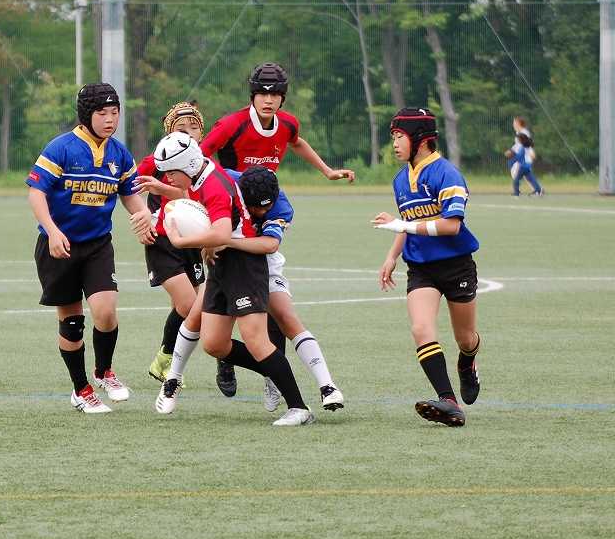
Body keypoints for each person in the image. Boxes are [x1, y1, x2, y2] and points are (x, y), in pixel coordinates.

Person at [199, 61, 355, 396]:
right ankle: (218, 358)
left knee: (271, 301)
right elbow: (201, 157)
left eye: (275, 94)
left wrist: (327, 171)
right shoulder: (232, 124)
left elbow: (296, 142)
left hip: (263, 209)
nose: (268, 99)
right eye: (262, 93)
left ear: (283, 97)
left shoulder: (287, 124)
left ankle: (275, 377)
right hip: (229, 215)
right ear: (252, 94)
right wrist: (216, 207)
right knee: (208, 306)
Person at [142, 132, 314, 426]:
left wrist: (181, 241)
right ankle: (272, 370)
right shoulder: (200, 176)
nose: (167, 177)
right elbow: (197, 205)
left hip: (244, 266)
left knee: (257, 341)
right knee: (214, 343)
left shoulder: (213, 184)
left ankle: (298, 407)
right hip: (221, 264)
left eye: (171, 172)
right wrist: (165, 197)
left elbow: (222, 233)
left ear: (187, 165)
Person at [26, 83, 152, 414]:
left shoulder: (119, 153)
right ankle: (81, 390)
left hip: (97, 245)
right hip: (59, 246)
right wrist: (52, 231)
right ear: (86, 115)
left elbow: (129, 193)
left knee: (106, 312)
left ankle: (103, 371)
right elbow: (36, 193)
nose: (110, 120)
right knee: (72, 324)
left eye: (115, 112)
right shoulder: (61, 148)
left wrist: (143, 215)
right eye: (102, 113)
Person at [372, 107, 481, 428]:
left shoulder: (447, 174)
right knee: (421, 329)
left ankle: (468, 362)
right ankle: (449, 401)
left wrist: (401, 226)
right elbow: (407, 223)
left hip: (457, 266)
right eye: (393, 136)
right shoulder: (400, 179)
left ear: (420, 139)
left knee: (466, 338)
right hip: (421, 268)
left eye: (399, 136)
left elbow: (451, 225)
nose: (394, 143)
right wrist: (392, 255)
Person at [220, 166, 345, 412]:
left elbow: (270, 245)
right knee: (208, 336)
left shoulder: (281, 207)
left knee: (287, 318)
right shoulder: (225, 181)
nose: (262, 212)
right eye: (256, 207)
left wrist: (223, 241)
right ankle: (173, 377)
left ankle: (328, 386)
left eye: (267, 207)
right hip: (225, 266)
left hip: (262, 264)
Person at [137, 101, 207, 383]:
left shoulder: (204, 164)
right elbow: (129, 186)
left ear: (201, 133)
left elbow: (200, 200)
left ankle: (165, 363)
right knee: (190, 306)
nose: (188, 132)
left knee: (184, 307)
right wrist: (142, 217)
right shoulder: (157, 160)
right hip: (162, 242)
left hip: (192, 243)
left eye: (194, 127)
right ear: (169, 133)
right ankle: (166, 359)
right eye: (180, 128)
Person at [510, 132, 543, 197]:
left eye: (517, 139)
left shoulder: (521, 147)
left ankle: (516, 193)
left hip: (522, 165)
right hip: (528, 165)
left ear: (520, 140)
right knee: (531, 178)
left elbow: (518, 156)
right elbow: (533, 156)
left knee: (516, 178)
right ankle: (538, 190)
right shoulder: (529, 147)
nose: (516, 140)